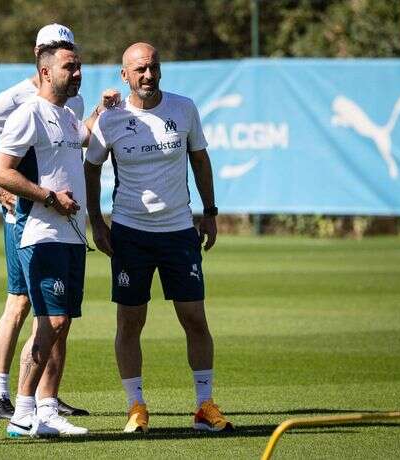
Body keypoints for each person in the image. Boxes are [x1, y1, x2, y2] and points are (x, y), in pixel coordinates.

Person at [84, 42, 233, 434]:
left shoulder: (184, 108)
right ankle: (136, 407)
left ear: (160, 69)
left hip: (179, 231)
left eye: (152, 67)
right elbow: (91, 168)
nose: (147, 75)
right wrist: (97, 222)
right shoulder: (110, 119)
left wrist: (211, 213)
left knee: (195, 319)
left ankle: (204, 406)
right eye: (139, 70)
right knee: (130, 321)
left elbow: (200, 159)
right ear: (124, 75)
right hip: (130, 234)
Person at [0, 39, 117, 437]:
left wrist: (102, 110)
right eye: (69, 67)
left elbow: (83, 138)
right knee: (52, 319)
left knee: (60, 325)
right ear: (45, 71)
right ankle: (22, 412)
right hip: (40, 233)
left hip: (71, 234)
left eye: (79, 66)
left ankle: (44, 409)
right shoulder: (27, 113)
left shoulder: (65, 115)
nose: (77, 72)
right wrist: (48, 197)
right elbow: (1, 173)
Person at [0, 24, 88, 420]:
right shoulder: (20, 100)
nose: (68, 58)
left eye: (69, 48)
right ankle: (2, 395)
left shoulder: (71, 103)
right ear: (41, 58)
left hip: (65, 225)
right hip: (27, 219)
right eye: (56, 50)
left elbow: (79, 144)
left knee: (58, 317)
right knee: (23, 304)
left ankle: (45, 398)